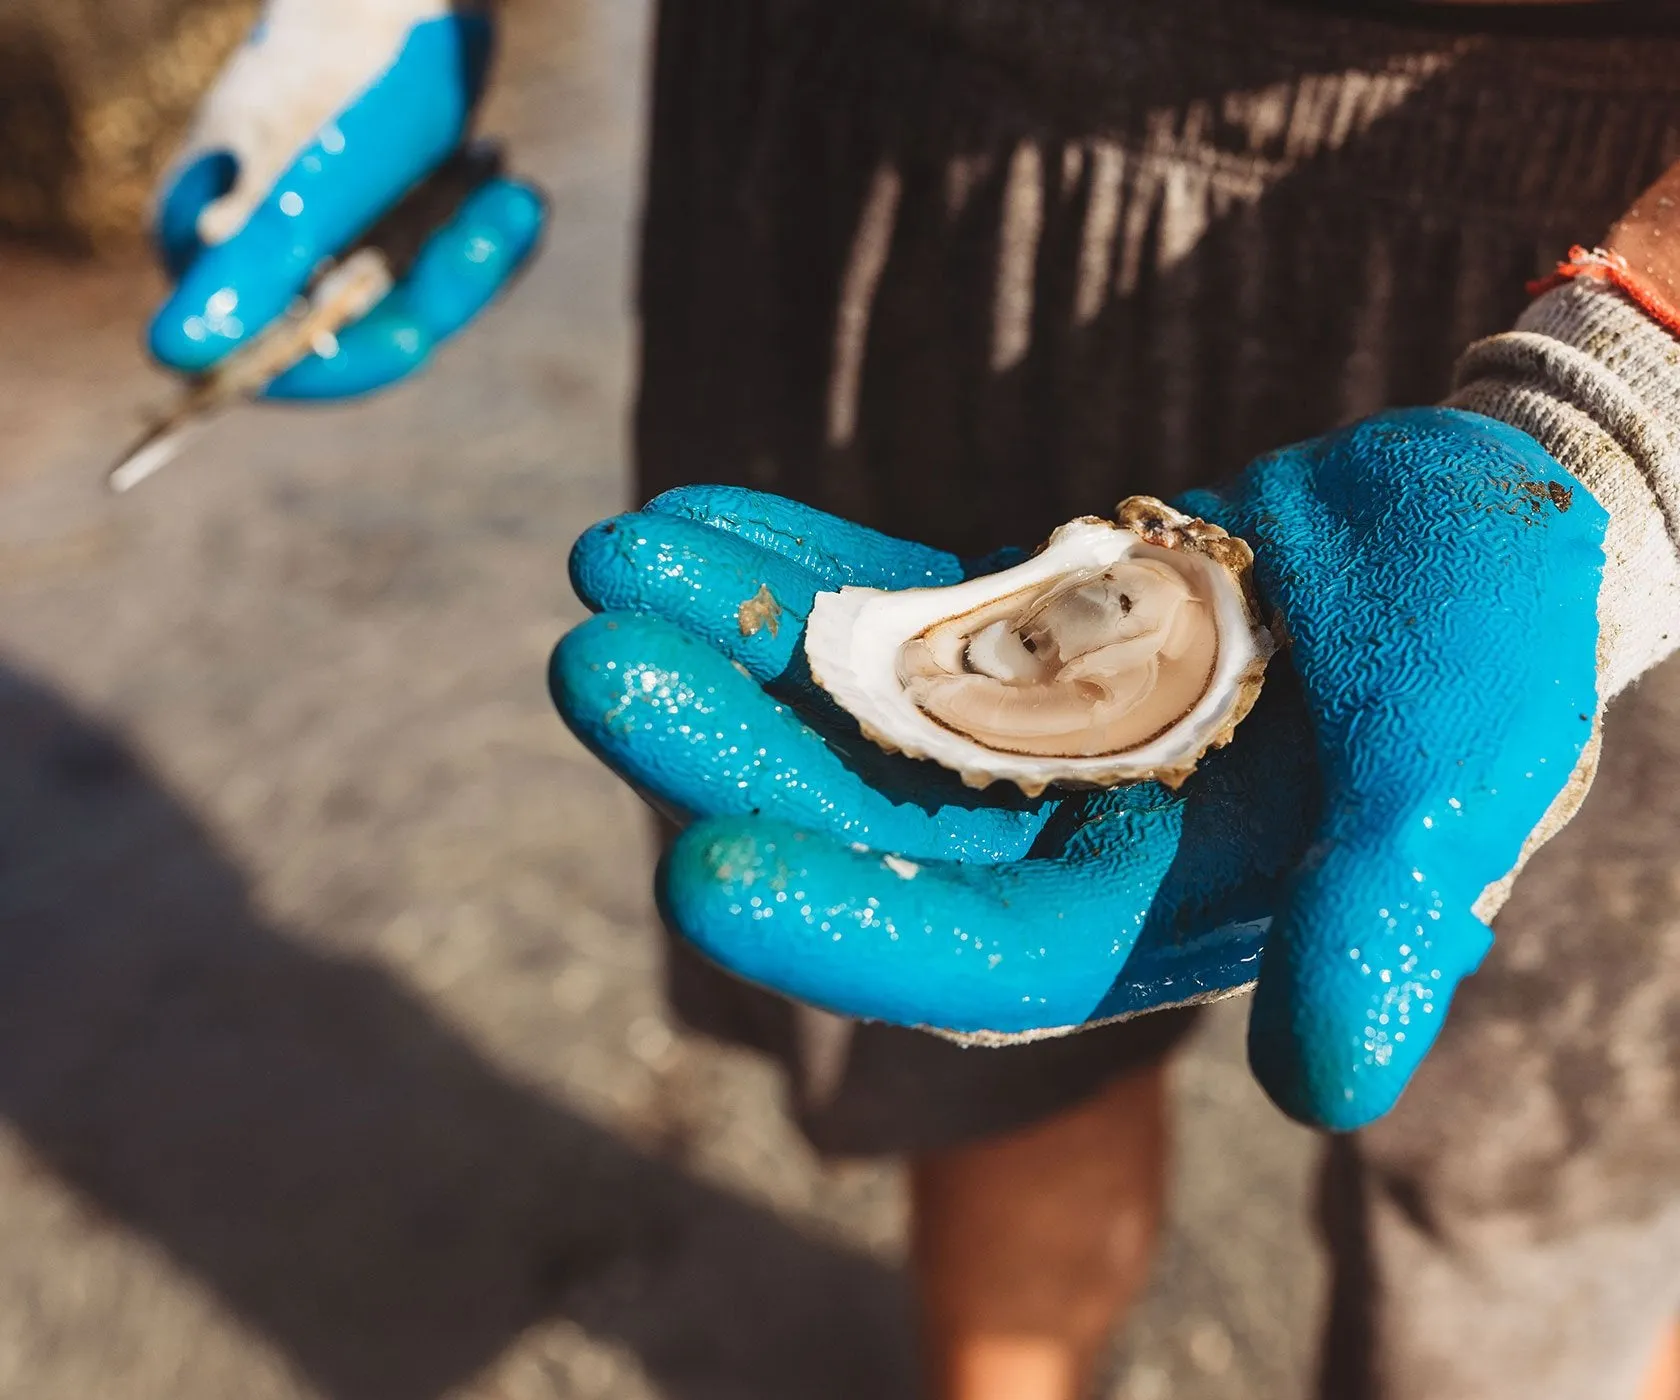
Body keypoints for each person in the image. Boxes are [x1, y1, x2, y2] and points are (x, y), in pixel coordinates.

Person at [147, 1, 1680, 1397]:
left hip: (1603, 173)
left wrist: (1635, 391)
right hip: (888, 116)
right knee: (979, 1073)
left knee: (1540, 1190)